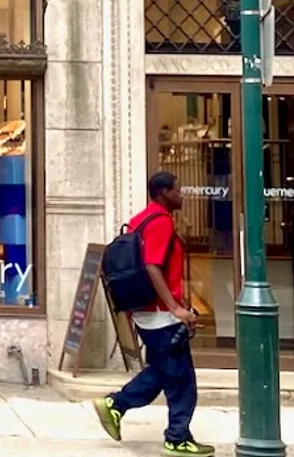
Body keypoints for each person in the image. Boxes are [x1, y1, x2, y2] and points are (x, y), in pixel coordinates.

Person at [92, 171, 215, 456]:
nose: (182, 195)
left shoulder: (139, 220)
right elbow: (151, 266)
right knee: (182, 381)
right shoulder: (160, 222)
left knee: (163, 372)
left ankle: (116, 406)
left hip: (146, 312)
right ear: (164, 193)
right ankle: (176, 437)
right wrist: (176, 309)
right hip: (161, 315)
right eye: (178, 190)